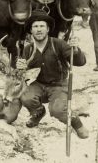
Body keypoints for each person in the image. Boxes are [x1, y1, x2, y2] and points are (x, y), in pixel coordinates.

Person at [19, 10, 89, 139]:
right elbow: (24, 72)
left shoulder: (59, 44)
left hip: (58, 85)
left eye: (42, 26)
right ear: (31, 30)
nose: (39, 30)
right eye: (35, 26)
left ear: (48, 29)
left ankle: (77, 124)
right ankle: (38, 113)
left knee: (58, 110)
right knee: (25, 97)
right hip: (37, 84)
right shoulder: (27, 49)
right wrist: (21, 68)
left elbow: (80, 62)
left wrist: (76, 49)